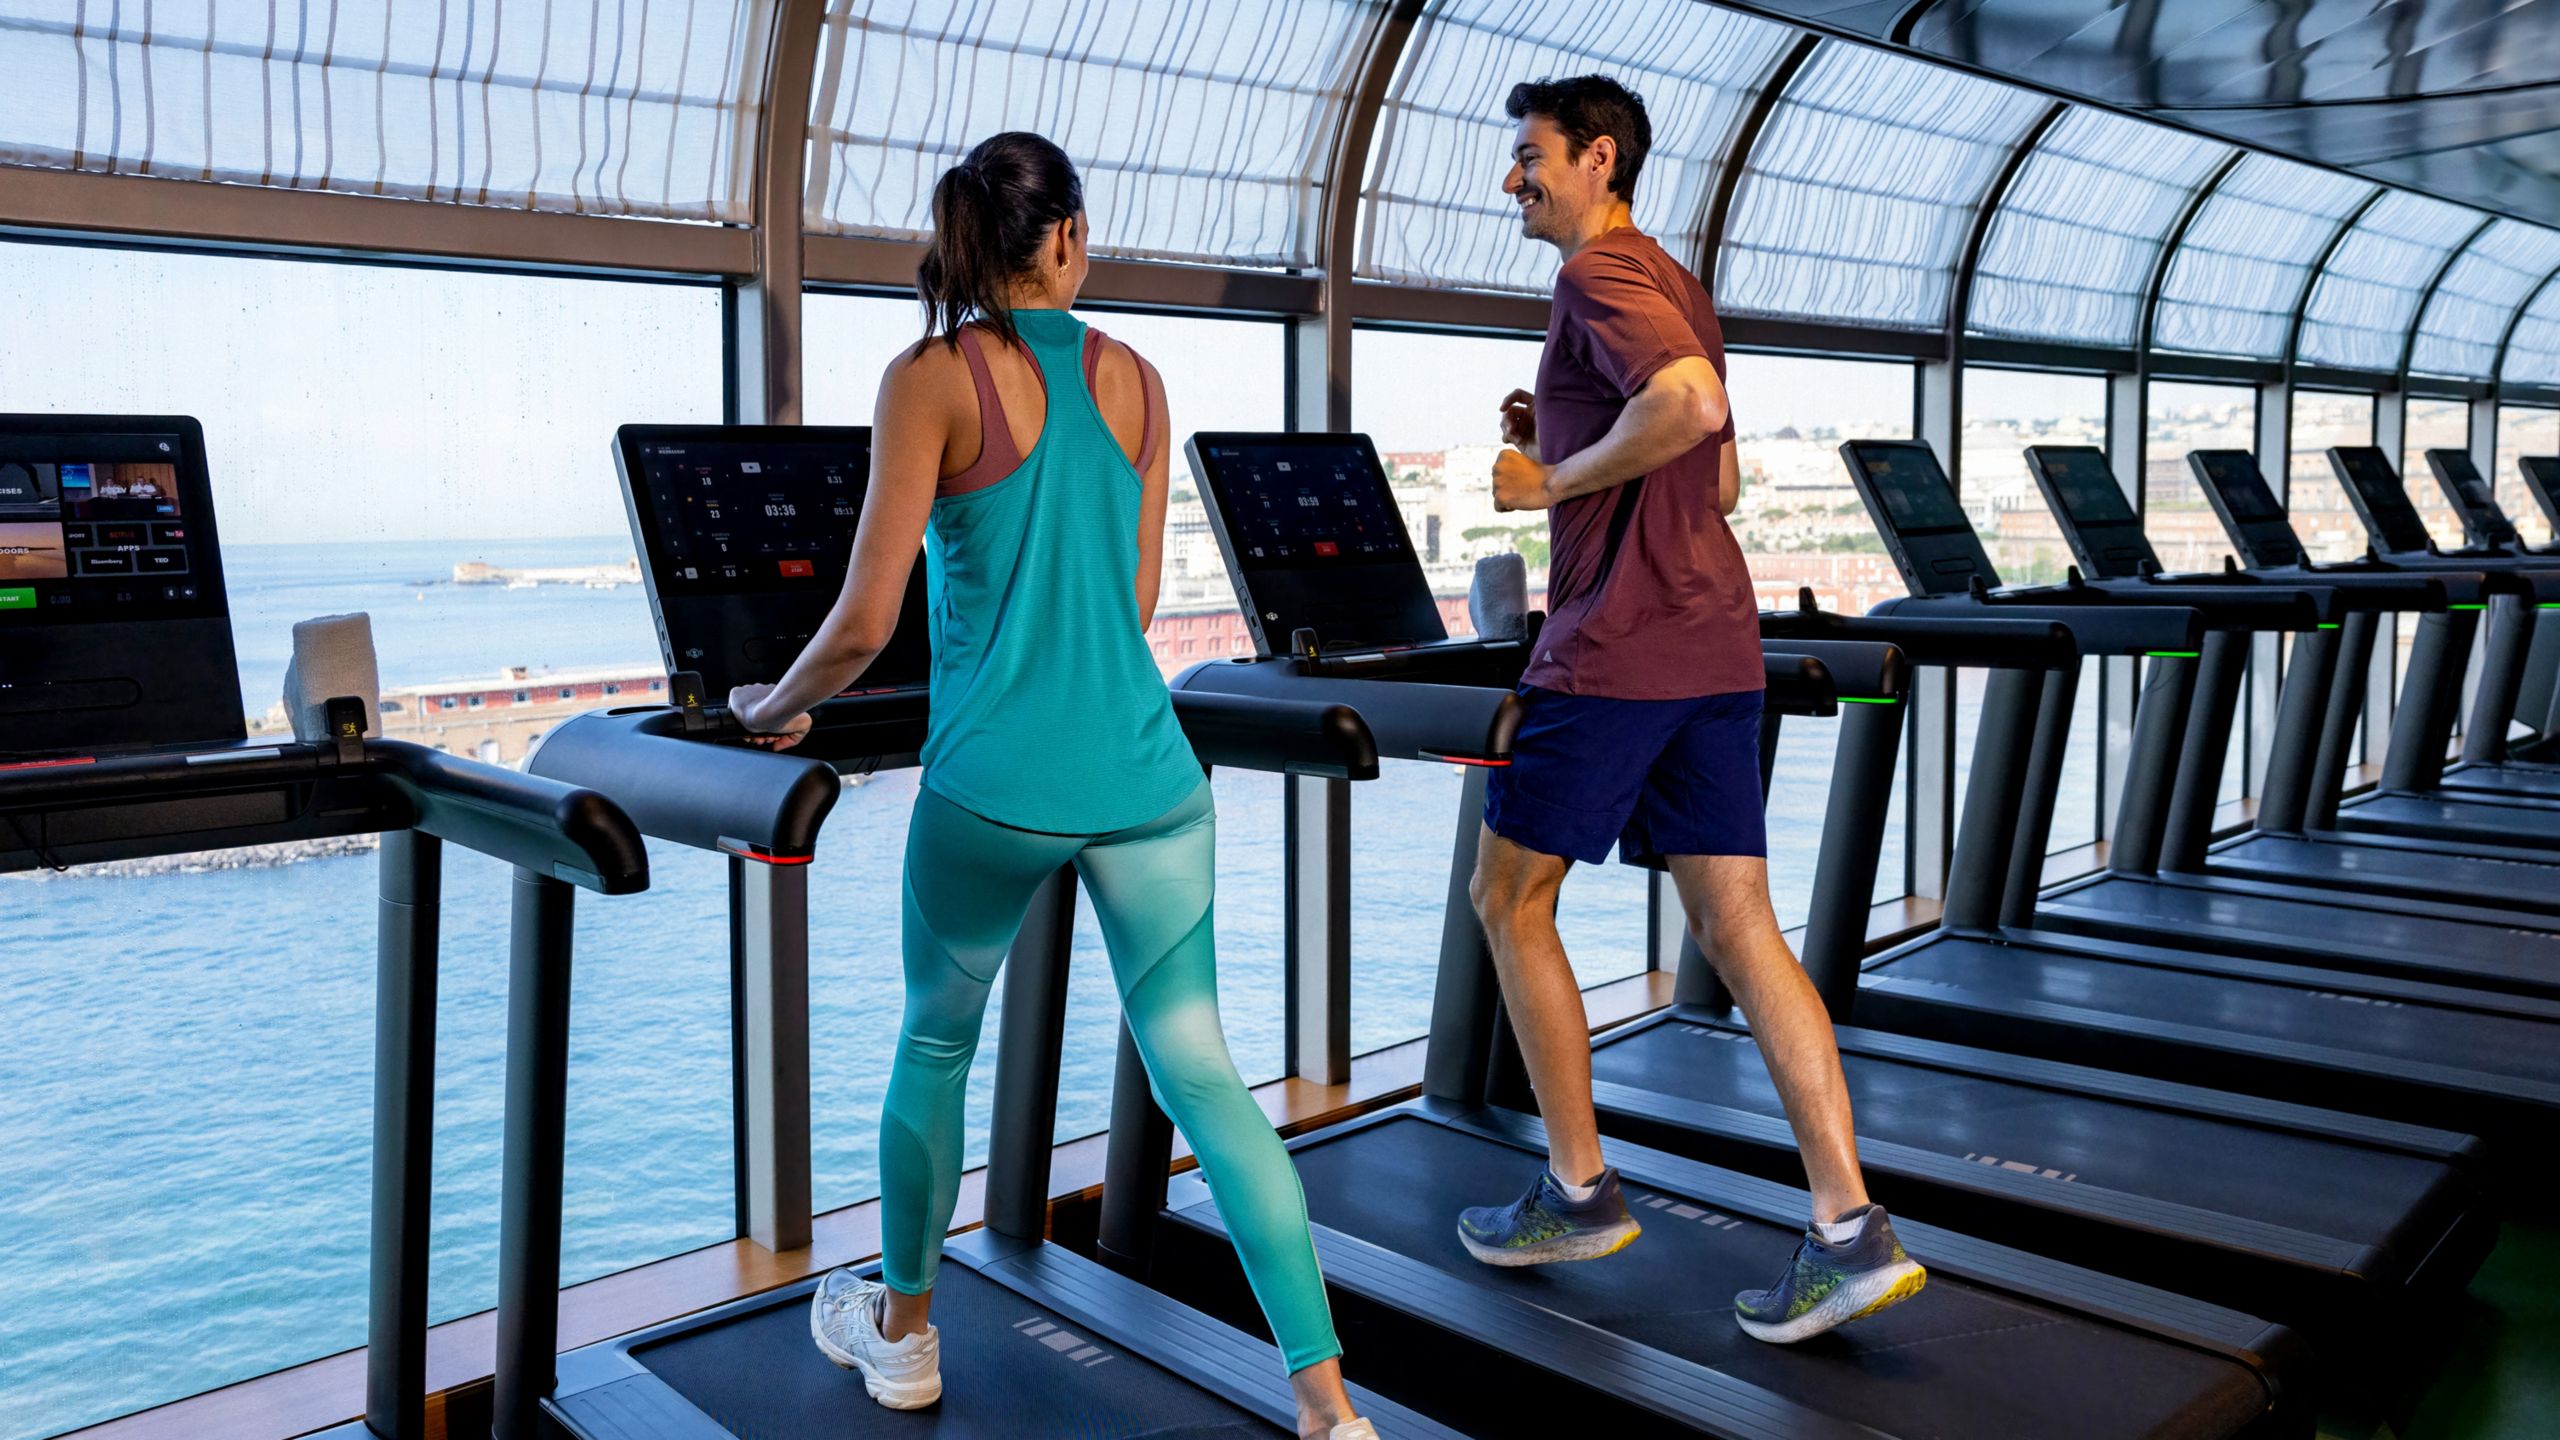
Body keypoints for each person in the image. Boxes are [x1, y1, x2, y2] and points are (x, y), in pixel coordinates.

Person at [727, 132, 1374, 1438]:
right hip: (1147, 780)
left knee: (933, 1042)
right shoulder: (1137, 378)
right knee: (1202, 1070)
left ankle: (905, 1339)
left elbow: (863, 621)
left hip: (993, 791)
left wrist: (771, 707)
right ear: (1069, 238)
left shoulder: (930, 377)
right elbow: (1133, 603)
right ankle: (1327, 1402)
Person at [1453, 75, 1927, 1345]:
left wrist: (1546, 478)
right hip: (1717, 644)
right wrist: (1575, 428)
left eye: (1528, 156)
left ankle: (1575, 1191)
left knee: (1509, 897)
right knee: (1735, 920)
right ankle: (1847, 1230)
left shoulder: (1594, 276)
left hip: (1614, 649)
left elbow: (1694, 415)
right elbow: (1712, 479)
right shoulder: (1672, 277)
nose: (1512, 178)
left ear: (1596, 159)